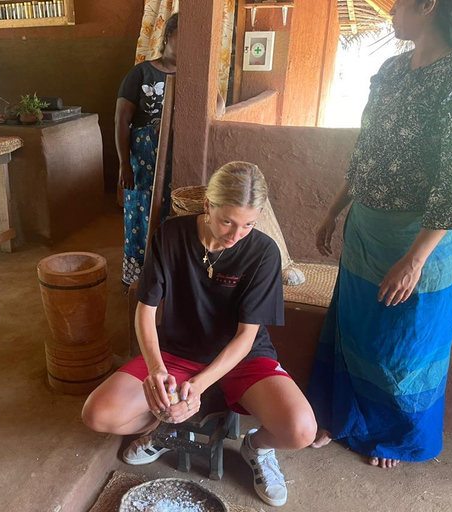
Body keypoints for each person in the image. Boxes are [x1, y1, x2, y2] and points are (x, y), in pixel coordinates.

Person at [308, 0, 452, 469]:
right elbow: (366, 150)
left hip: (423, 239)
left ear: (428, 6)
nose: (390, 9)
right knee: (356, 327)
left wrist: (415, 260)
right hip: (366, 230)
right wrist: (333, 210)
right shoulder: (392, 70)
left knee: (405, 340)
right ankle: (342, 417)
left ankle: (393, 435)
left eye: (398, 3)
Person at [83, 162, 317, 507]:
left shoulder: (263, 252)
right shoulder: (170, 235)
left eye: (248, 224)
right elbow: (145, 310)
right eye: (227, 221)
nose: (235, 235)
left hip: (241, 356)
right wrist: (157, 371)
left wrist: (201, 384)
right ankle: (164, 427)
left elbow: (245, 337)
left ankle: (257, 447)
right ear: (208, 204)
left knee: (301, 430)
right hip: (178, 350)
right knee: (97, 414)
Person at [116, 14, 178, 286]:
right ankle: (138, 281)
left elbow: (217, 105)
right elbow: (122, 120)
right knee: (140, 213)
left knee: (171, 215)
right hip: (143, 159)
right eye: (181, 37)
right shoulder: (141, 73)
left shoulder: (193, 76)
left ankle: (166, 278)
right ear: (167, 38)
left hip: (175, 158)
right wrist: (124, 164)